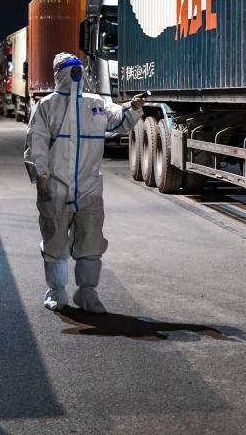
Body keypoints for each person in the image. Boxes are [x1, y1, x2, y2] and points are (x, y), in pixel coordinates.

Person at [24, 52, 144, 313]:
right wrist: (40, 175)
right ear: (60, 73)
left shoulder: (95, 103)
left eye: (79, 69)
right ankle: (56, 292)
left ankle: (87, 292)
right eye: (72, 69)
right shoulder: (46, 106)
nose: (77, 73)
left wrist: (132, 109)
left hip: (89, 188)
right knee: (55, 241)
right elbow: (36, 143)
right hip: (56, 188)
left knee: (91, 241)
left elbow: (119, 120)